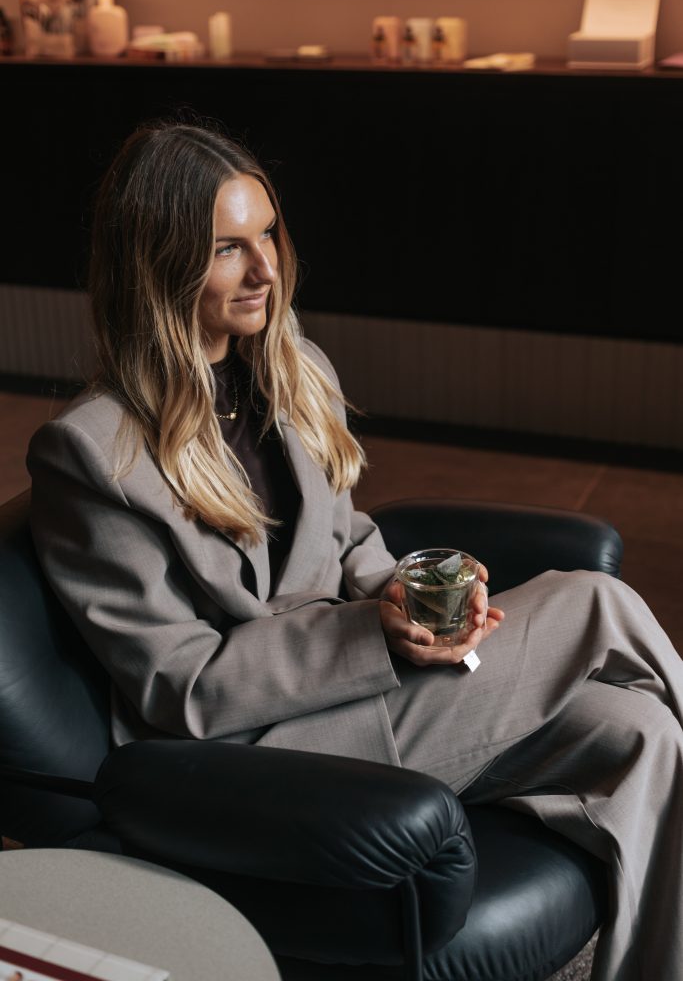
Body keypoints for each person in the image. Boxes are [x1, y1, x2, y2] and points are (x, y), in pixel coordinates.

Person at [27, 119, 683, 981]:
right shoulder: (92, 453)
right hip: (261, 756)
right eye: (228, 248)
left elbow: (349, 540)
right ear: (158, 264)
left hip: (373, 698)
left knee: (643, 732)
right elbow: (177, 687)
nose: (265, 269)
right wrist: (371, 634)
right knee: (590, 601)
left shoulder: (293, 369)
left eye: (266, 234)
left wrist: (405, 596)